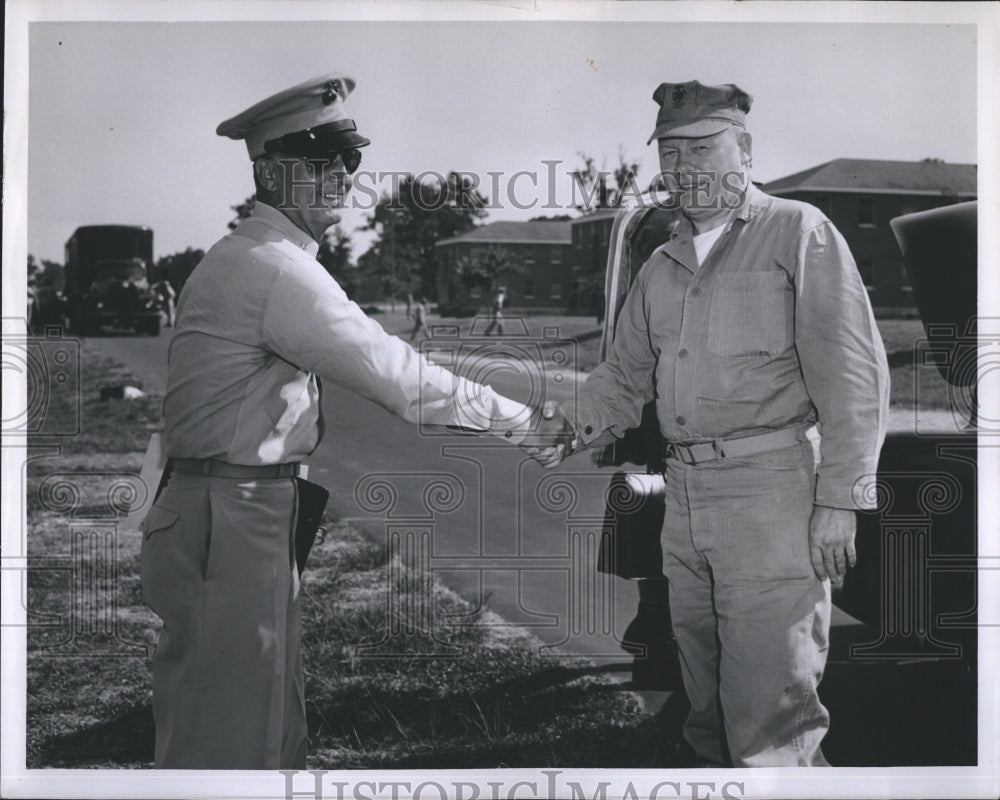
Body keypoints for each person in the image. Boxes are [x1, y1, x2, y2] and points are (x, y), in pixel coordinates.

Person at [141, 72, 541, 770]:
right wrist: (528, 422)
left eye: (350, 162)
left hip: (215, 503)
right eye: (321, 162)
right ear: (269, 171)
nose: (343, 178)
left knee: (224, 717)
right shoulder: (275, 269)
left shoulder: (255, 257)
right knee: (243, 738)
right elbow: (401, 380)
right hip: (234, 513)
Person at [524, 80, 889, 767]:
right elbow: (622, 378)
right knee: (706, 709)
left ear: (743, 150)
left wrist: (841, 499)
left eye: (702, 147)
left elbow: (855, 376)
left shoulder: (797, 231)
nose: (684, 167)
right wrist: (565, 427)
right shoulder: (661, 265)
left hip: (771, 495)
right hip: (685, 498)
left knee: (771, 719)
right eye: (670, 151)